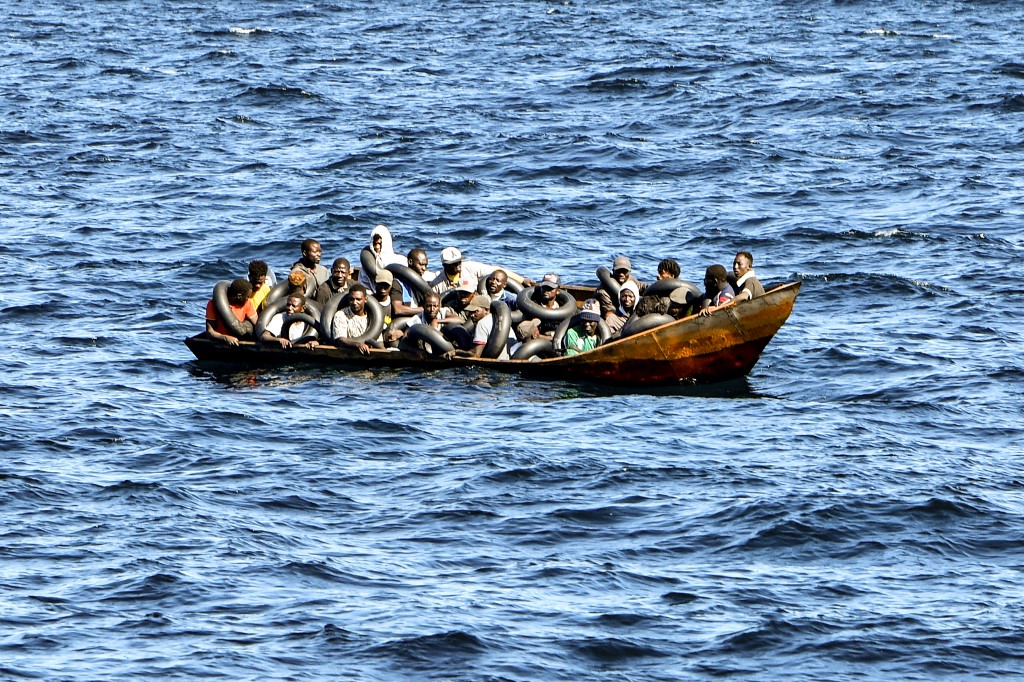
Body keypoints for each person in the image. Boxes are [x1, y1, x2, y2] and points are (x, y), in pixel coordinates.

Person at [429, 246, 532, 295]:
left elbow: (496, 270)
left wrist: (522, 280)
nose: (458, 265)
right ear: (445, 265)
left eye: (459, 261)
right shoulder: (437, 283)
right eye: (453, 263)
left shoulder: (471, 267)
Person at [386, 292, 463, 345]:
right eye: (429, 306)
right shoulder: (416, 320)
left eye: (435, 306)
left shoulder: (442, 312)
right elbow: (403, 342)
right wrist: (416, 351)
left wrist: (437, 321)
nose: (432, 309)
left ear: (439, 306)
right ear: (423, 306)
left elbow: (460, 320)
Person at [205, 278, 258, 346]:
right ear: (239, 296)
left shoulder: (247, 303)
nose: (248, 299)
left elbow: (256, 322)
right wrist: (225, 338)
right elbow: (210, 332)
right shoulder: (213, 304)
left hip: (240, 339)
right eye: (247, 297)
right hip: (221, 341)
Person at [330, 284, 379, 355]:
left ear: (365, 299)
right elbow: (340, 340)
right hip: (348, 356)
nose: (354, 303)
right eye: (352, 299)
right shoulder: (341, 315)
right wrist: (357, 345)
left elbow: (379, 342)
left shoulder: (373, 317)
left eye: (358, 299)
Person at [516, 273, 563, 341]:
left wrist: (540, 337)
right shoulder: (532, 307)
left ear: (557, 291)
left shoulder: (562, 308)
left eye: (550, 288)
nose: (546, 291)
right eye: (544, 287)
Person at [359, 224, 406, 288]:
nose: (377, 247)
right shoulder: (367, 265)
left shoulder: (400, 260)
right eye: (375, 244)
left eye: (380, 243)